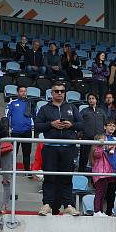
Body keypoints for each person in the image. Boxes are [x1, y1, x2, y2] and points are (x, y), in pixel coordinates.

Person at [34, 81, 82, 216]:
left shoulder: (72, 107)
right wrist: (51, 124)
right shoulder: (44, 109)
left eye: (62, 91)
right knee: (49, 178)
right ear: (51, 93)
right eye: (57, 91)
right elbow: (37, 126)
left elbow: (81, 124)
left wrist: (70, 125)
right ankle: (47, 204)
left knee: (67, 178)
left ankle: (68, 205)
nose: (59, 93)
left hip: (68, 148)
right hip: (50, 147)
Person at [5, 85, 34, 173]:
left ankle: (27, 170)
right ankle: (11, 170)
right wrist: (8, 129)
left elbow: (34, 117)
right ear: (17, 92)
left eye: (25, 91)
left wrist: (32, 128)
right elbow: (6, 116)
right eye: (21, 91)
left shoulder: (30, 103)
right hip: (15, 132)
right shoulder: (12, 103)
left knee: (27, 153)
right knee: (13, 153)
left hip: (27, 131)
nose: (23, 93)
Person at [79, 93, 107, 174]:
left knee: (98, 158)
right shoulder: (84, 111)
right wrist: (80, 134)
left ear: (96, 100)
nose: (91, 100)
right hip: (86, 138)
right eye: (89, 98)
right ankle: (81, 174)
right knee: (83, 158)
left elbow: (106, 123)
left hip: (99, 139)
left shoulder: (101, 111)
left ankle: (96, 175)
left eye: (93, 98)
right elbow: (79, 123)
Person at [90, 133, 115, 217]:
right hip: (99, 175)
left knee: (103, 194)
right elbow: (98, 154)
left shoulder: (102, 150)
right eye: (104, 140)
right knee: (99, 194)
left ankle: (100, 210)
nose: (105, 142)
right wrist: (101, 146)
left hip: (104, 175)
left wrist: (108, 149)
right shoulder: (96, 149)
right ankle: (96, 211)